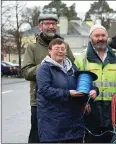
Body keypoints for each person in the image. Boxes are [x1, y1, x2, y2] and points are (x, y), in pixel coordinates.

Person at [21, 14, 75, 143]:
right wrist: (47, 65)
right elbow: (26, 72)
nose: (51, 26)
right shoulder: (32, 47)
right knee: (38, 136)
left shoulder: (64, 45)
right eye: (47, 24)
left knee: (61, 135)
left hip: (63, 99)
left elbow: (73, 67)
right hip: (40, 101)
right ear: (40, 26)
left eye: (53, 24)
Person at [36, 38, 98, 143]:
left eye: (63, 48)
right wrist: (68, 93)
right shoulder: (45, 68)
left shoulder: (72, 68)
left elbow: (83, 84)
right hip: (53, 125)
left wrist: (94, 90)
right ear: (49, 51)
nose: (60, 51)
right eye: (57, 48)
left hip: (73, 123)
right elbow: (44, 90)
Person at [74, 24, 116, 143]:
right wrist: (83, 101)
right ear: (91, 37)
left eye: (103, 35)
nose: (100, 38)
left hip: (113, 106)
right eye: (97, 35)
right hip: (91, 107)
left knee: (112, 139)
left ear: (107, 37)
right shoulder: (82, 58)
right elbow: (75, 82)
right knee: (93, 139)